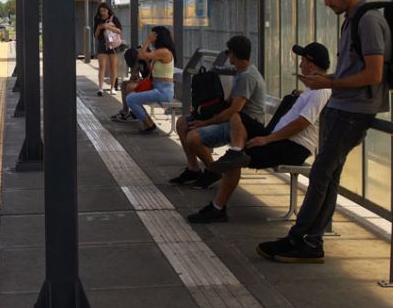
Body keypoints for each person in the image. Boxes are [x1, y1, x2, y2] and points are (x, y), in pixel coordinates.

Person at [257, 0, 391, 264]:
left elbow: (374, 73)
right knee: (328, 176)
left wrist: (329, 82)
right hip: (342, 106)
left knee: (320, 173)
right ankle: (312, 242)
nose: (327, 2)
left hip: (355, 111)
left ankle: (298, 239)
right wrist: (327, 83)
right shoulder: (352, 20)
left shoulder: (368, 21)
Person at [187, 42, 332, 223]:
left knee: (234, 162)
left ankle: (217, 207)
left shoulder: (321, 92)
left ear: (311, 64)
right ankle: (237, 152)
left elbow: (301, 124)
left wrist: (267, 139)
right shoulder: (312, 90)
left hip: (292, 147)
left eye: (302, 60)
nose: (300, 64)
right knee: (236, 116)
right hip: (279, 139)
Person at [170, 35, 266, 189]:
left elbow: (235, 110)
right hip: (234, 120)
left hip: (244, 126)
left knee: (193, 137)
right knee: (183, 123)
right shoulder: (241, 72)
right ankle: (193, 168)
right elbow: (229, 103)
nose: (228, 56)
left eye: (229, 52)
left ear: (233, 54)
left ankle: (213, 170)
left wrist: (206, 122)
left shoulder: (247, 76)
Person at [125, 26, 176, 133]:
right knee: (130, 91)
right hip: (157, 87)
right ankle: (148, 123)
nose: (151, 37)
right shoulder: (160, 51)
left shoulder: (164, 52)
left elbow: (140, 55)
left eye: (153, 35)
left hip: (163, 92)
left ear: (158, 37)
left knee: (131, 99)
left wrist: (147, 41)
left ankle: (148, 124)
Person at [111, 46, 151, 122]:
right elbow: (133, 76)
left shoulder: (150, 57)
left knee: (130, 87)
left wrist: (147, 61)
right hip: (146, 83)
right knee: (124, 85)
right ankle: (125, 111)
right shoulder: (137, 59)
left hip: (152, 84)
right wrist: (135, 75)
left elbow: (153, 75)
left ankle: (136, 113)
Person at [93, 2, 122, 96]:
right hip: (102, 43)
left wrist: (108, 27)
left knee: (113, 66)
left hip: (113, 43)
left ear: (108, 10)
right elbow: (96, 36)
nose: (103, 13)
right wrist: (99, 28)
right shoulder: (97, 19)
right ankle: (100, 88)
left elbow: (119, 31)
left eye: (104, 10)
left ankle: (112, 88)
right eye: (101, 11)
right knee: (102, 66)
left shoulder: (114, 18)